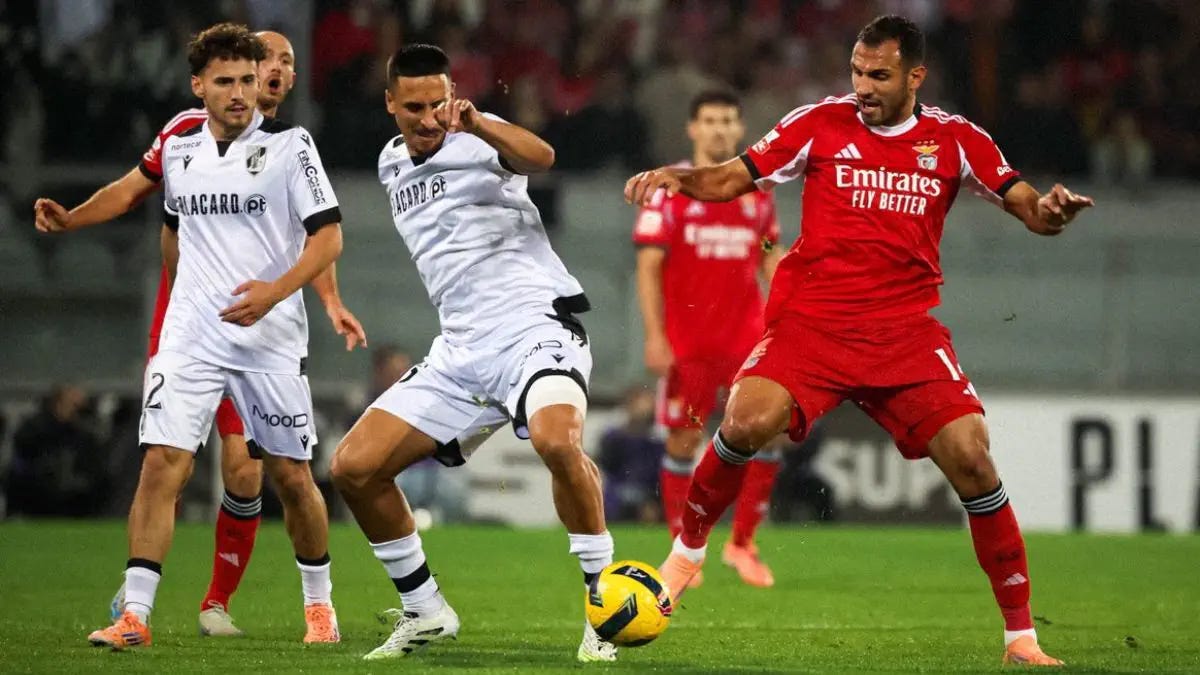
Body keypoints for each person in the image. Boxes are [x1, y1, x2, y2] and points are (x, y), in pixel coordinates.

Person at [624, 15, 1093, 667]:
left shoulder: (956, 140)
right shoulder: (819, 124)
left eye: (879, 75)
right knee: (744, 419)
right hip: (813, 323)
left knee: (973, 459)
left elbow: (1027, 206)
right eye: (856, 72)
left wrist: (1051, 212)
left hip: (904, 333)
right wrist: (681, 180)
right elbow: (733, 176)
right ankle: (684, 557)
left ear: (915, 76)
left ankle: (1021, 637)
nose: (863, 86)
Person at [32, 30, 365, 638]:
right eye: (225, 81)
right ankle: (136, 615)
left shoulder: (291, 146)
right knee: (162, 464)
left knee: (291, 477)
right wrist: (73, 219)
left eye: (248, 80)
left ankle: (319, 606)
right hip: (192, 338)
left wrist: (275, 292)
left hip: (269, 339)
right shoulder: (180, 147)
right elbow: (141, 200)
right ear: (198, 87)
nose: (240, 93)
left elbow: (329, 237)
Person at [329, 44, 616, 663]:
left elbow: (542, 157)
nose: (428, 117)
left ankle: (605, 607)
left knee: (557, 442)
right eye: (413, 107)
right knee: (354, 467)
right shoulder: (389, 163)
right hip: (461, 350)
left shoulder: (478, 138)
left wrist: (479, 122)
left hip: (534, 326)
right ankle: (425, 610)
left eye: (438, 102)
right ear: (390, 103)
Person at [634, 90, 783, 588]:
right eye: (710, 120)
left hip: (749, 339)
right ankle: (684, 551)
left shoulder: (757, 190)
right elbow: (648, 265)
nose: (719, 129)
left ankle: (743, 544)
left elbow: (769, 249)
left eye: (727, 120)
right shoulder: (670, 188)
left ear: (739, 129)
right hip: (689, 343)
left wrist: (788, 309)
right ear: (693, 129)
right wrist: (654, 336)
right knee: (684, 440)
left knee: (767, 432)